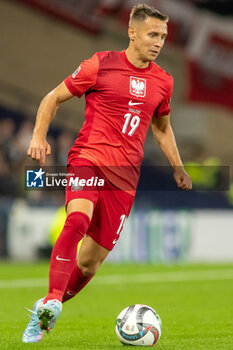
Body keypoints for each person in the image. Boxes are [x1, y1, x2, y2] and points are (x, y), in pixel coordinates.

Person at [22, 3, 192, 343]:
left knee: (88, 265)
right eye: (152, 34)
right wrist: (39, 135)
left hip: (125, 180)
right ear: (132, 32)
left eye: (163, 36)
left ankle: (44, 311)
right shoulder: (100, 64)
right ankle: (54, 299)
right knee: (77, 221)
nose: (159, 42)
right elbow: (52, 98)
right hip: (89, 159)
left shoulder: (163, 82)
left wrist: (178, 166)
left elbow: (161, 127)